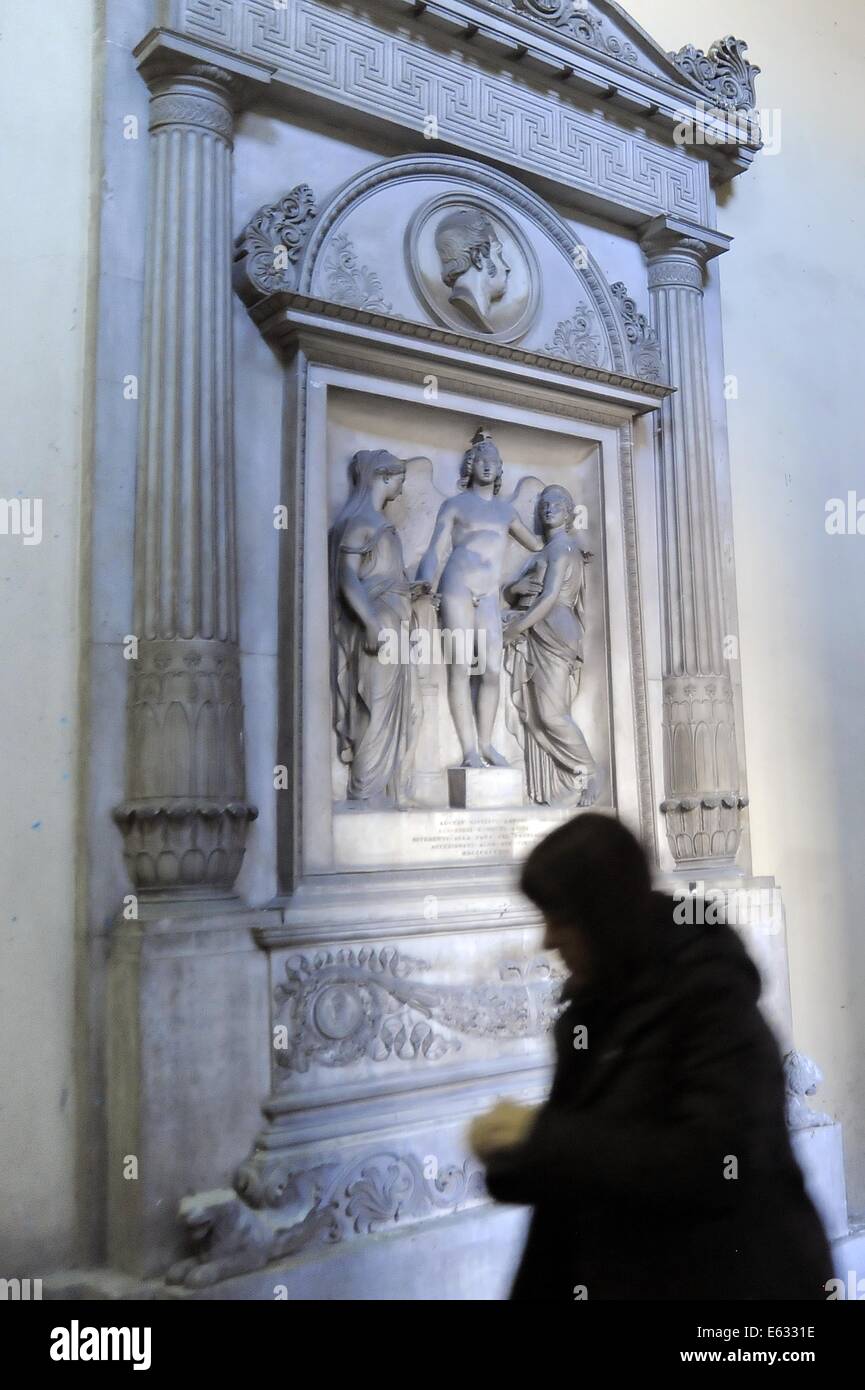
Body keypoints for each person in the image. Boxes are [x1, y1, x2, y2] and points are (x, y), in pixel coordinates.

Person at [468, 813, 834, 1300]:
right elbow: (576, 1185)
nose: (547, 940)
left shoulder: (712, 996)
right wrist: (515, 1158)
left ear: (601, 914)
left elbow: (714, 1162)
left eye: (560, 917)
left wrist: (540, 1139)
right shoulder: (592, 1009)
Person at [503, 484, 599, 807]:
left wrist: (516, 626)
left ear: (570, 512)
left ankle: (588, 772)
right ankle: (565, 781)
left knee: (552, 715)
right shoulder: (545, 551)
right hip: (539, 629)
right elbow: (517, 589)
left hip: (555, 630)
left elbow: (548, 597)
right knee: (537, 717)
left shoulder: (563, 548)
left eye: (557, 503)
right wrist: (519, 589)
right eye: (544, 503)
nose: (549, 508)